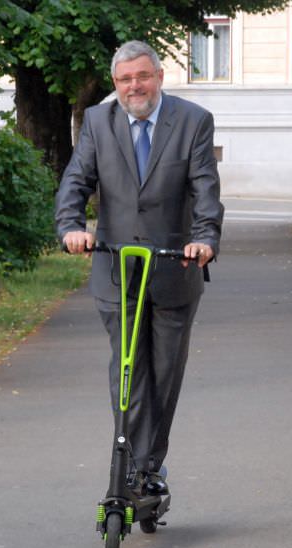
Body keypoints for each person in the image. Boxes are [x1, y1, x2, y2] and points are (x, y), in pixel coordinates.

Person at [54, 40, 224, 495]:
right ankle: (130, 465)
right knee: (128, 370)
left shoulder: (192, 122)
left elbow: (205, 188)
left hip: (174, 269)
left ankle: (150, 467)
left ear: (160, 76)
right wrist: (72, 226)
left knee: (165, 372)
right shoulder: (97, 122)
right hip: (115, 269)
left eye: (143, 76)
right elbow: (76, 180)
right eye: (126, 79)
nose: (135, 86)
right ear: (116, 84)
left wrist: (204, 238)